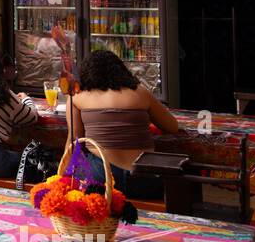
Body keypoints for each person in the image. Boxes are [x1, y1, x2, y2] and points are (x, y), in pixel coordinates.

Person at [68, 49, 179, 199]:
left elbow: (75, 143)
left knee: (77, 166)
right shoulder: (141, 93)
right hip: (144, 179)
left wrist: (64, 177)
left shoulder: (77, 98)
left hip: (102, 178)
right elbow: (172, 126)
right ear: (121, 70)